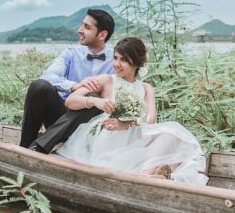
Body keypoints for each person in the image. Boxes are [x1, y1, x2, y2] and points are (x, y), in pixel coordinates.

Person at [57, 37, 208, 185]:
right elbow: (71, 101)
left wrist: (128, 124)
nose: (117, 64)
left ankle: (149, 174)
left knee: (173, 133)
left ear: (136, 63)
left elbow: (151, 119)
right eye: (115, 58)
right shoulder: (107, 80)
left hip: (136, 133)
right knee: (166, 149)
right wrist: (96, 101)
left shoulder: (146, 88)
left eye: (123, 60)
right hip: (110, 135)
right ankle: (154, 172)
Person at [19, 8, 115, 153]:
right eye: (82, 25)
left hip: (90, 125)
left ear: (102, 35)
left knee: (93, 97)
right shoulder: (72, 52)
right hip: (62, 115)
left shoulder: (117, 59)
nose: (80, 30)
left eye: (87, 27)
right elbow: (48, 75)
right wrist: (74, 86)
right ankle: (25, 147)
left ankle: (39, 147)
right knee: (39, 86)